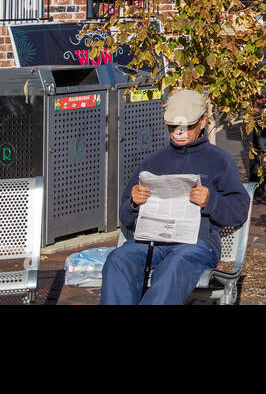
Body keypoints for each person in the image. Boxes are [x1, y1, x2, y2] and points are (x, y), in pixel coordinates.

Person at [101, 89, 250, 304]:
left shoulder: (219, 161)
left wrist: (211, 201)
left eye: (188, 126)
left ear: (203, 122)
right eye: (173, 126)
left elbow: (238, 210)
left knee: (176, 265)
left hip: (195, 243)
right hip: (151, 240)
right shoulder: (153, 162)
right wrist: (133, 202)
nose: (180, 132)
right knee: (118, 259)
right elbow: (125, 216)